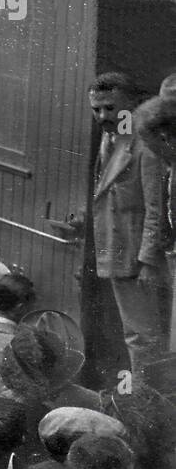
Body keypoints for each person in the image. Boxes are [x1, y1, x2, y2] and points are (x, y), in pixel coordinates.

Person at [89, 72, 168, 371]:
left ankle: (147, 402)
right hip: (118, 248)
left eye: (110, 107)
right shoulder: (111, 135)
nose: (102, 116)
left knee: (143, 337)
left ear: (132, 103)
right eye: (96, 109)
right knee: (134, 333)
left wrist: (148, 260)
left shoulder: (145, 144)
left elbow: (156, 208)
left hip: (137, 257)